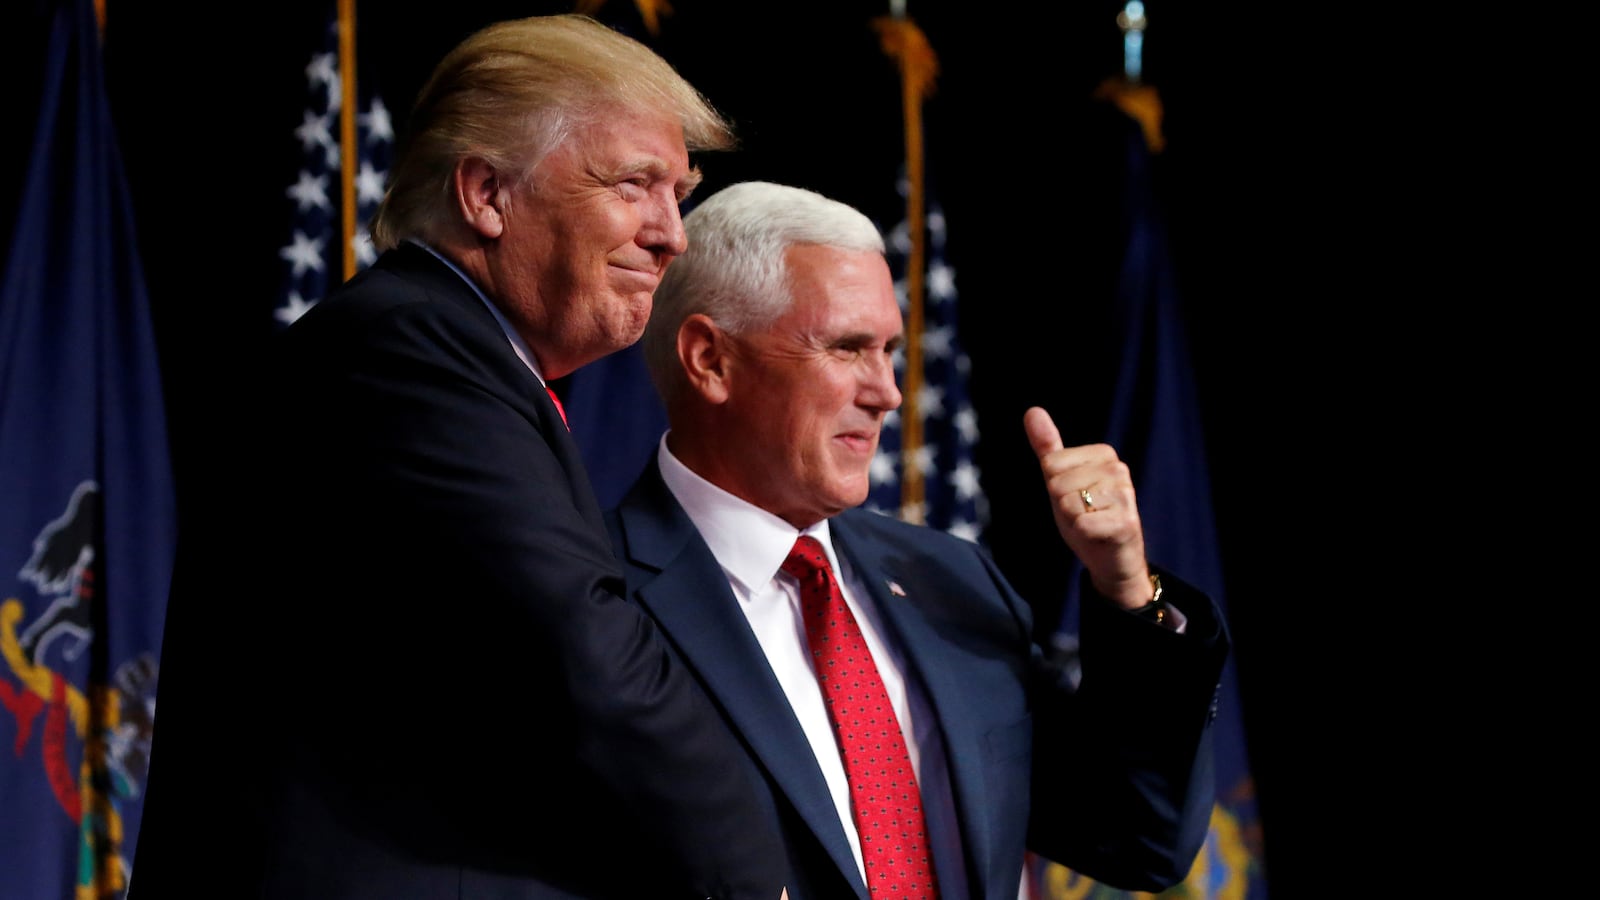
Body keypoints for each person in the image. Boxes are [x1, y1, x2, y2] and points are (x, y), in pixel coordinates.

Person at [129, 17, 787, 900]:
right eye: (635, 184)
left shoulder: (459, 359)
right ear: (486, 193)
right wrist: (755, 876)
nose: (672, 233)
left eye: (680, 192)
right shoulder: (410, 350)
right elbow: (582, 651)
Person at [604, 180, 1231, 899]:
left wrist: (1127, 592)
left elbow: (1140, 838)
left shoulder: (949, 581)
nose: (888, 393)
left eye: (890, 351)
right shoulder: (595, 602)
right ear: (710, 360)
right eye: (847, 348)